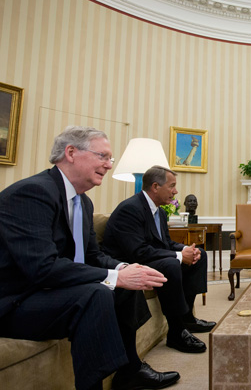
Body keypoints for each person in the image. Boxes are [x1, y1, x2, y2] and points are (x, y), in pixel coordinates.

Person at [0, 126, 180, 390]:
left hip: (54, 289)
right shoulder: (32, 193)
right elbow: (42, 268)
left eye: (110, 159)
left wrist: (125, 268)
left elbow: (92, 256)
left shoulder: (82, 202)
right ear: (71, 153)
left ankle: (130, 370)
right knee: (96, 294)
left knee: (126, 286)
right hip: (19, 299)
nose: (108, 165)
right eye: (103, 156)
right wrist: (116, 276)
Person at [102, 165, 214, 355]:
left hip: (148, 257)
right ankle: (176, 332)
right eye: (172, 186)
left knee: (200, 255)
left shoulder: (160, 211)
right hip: (130, 262)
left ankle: (187, 318)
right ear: (155, 186)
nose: (175, 191)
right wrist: (179, 256)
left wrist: (186, 249)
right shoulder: (130, 209)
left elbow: (166, 243)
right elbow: (138, 252)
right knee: (171, 264)